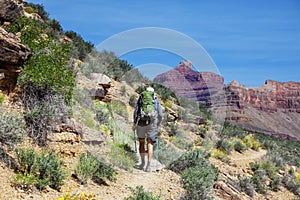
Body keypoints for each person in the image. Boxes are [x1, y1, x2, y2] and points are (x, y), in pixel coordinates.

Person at [133, 86, 163, 172]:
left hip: (141, 122)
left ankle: (142, 163)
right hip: (152, 123)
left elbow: (136, 112)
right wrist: (158, 123)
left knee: (141, 142)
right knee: (150, 143)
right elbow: (160, 114)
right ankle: (149, 165)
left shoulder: (141, 99)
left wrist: (135, 123)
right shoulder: (156, 101)